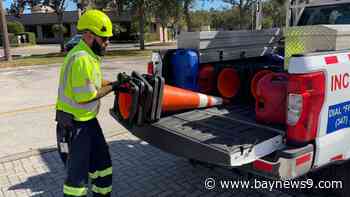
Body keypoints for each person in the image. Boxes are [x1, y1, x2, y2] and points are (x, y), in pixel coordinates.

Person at [55, 9, 122, 197]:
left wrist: (116, 82)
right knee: (77, 179)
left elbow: (94, 81)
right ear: (89, 36)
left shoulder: (89, 56)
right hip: (74, 126)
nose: (107, 43)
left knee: (102, 164)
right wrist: (115, 87)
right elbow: (87, 95)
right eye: (104, 38)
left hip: (87, 122)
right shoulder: (81, 58)